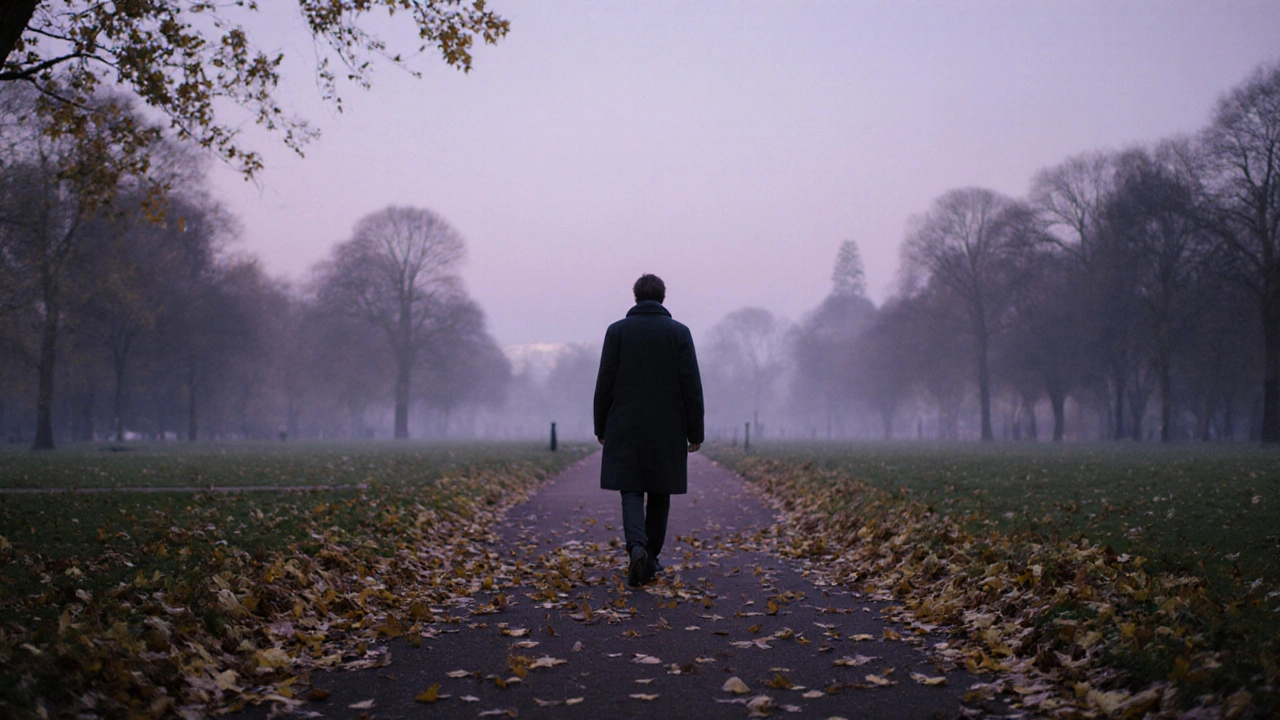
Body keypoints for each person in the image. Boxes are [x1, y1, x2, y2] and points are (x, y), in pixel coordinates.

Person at [593, 273, 704, 587]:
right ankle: (651, 556)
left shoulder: (617, 332)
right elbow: (691, 387)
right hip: (668, 426)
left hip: (625, 423)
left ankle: (637, 548)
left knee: (631, 489)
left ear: (635, 297)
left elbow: (605, 383)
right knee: (659, 491)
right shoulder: (679, 333)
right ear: (663, 297)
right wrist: (695, 432)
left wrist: (601, 425)